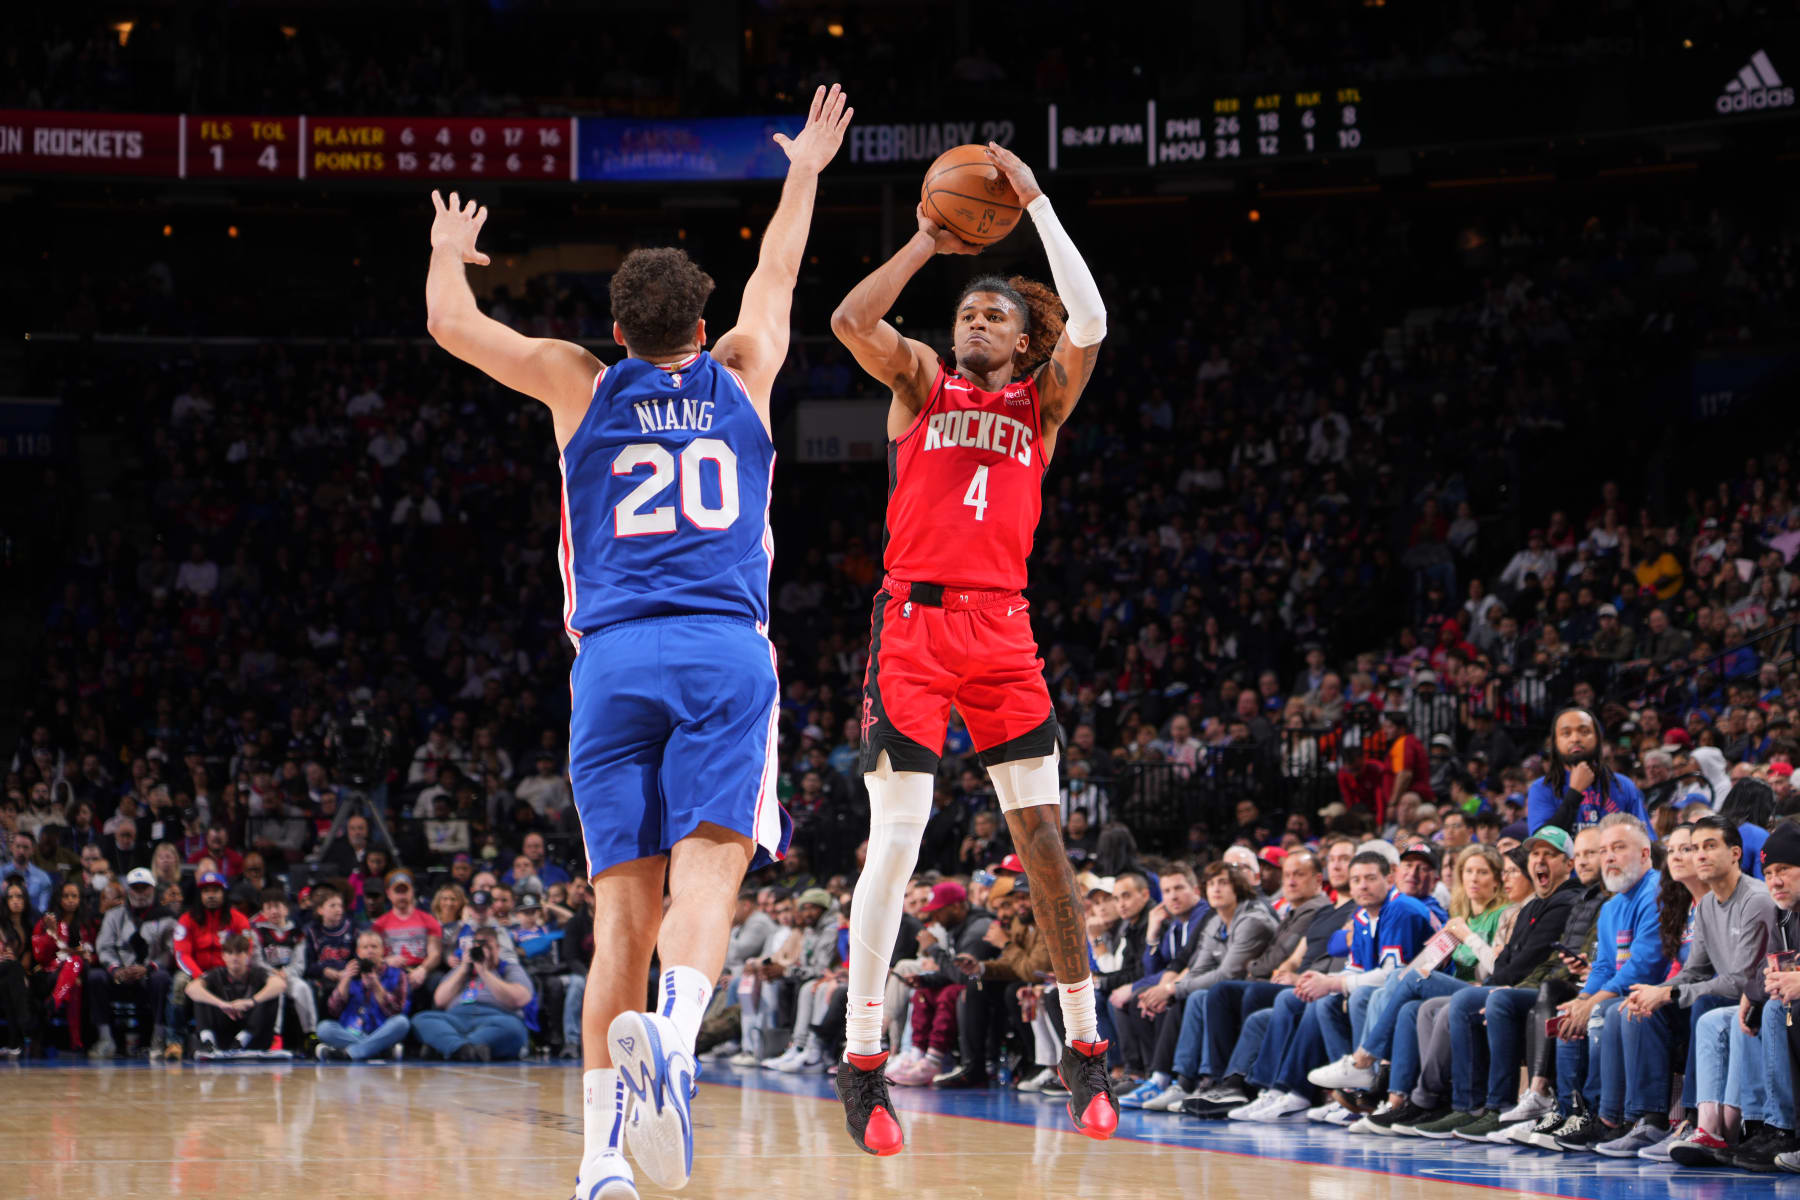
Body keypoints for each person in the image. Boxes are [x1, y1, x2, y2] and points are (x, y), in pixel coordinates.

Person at [424, 85, 851, 1199]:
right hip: (723, 650)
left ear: (619, 331)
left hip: (609, 663)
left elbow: (453, 329)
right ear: (700, 330)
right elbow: (782, 271)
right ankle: (679, 1028)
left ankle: (599, 1160)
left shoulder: (579, 382)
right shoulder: (748, 370)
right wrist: (802, 167)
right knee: (711, 876)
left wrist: (445, 248)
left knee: (624, 909)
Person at [829, 138, 1113, 1155]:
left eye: (994, 312)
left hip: (1002, 628)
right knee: (897, 836)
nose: (974, 320)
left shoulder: (1041, 405)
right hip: (913, 625)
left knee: (1042, 841)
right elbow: (851, 321)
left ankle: (1086, 1040)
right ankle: (862, 1060)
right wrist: (925, 238)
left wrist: (1033, 201)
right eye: (966, 311)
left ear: (1025, 337)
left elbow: (1093, 321)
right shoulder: (921, 387)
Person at [89, 867, 178, 1058]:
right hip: (121, 974)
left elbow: (170, 951)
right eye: (135, 888)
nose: (140, 892)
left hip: (149, 974)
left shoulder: (166, 917)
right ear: (128, 890)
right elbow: (104, 946)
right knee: (96, 977)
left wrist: (148, 968)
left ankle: (158, 1038)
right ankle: (106, 1039)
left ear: (153, 889)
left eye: (144, 888)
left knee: (162, 978)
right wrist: (115, 970)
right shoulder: (114, 915)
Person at [413, 925, 533, 1061]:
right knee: (422, 1019)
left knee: (514, 1028)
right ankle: (467, 1049)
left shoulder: (509, 969)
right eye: (479, 946)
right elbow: (440, 1000)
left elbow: (520, 999)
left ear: (498, 949)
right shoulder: (462, 969)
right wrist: (464, 968)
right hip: (457, 1018)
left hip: (495, 1019)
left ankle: (451, 1047)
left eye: (489, 947)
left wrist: (484, 971)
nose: (483, 951)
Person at [1527, 706, 1648, 834]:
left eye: (1584, 732)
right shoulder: (1542, 788)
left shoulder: (1624, 785)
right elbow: (1541, 844)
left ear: (1597, 738)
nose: (1575, 739)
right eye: (1566, 733)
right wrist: (1574, 793)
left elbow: (1645, 840)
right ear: (1555, 743)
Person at [316, 928, 411, 1062]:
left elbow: (397, 1010)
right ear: (358, 952)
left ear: (383, 951)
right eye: (365, 947)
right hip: (351, 1031)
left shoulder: (397, 974)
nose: (370, 951)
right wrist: (345, 979)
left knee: (402, 1022)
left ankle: (349, 1053)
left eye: (374, 947)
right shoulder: (350, 973)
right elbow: (334, 1009)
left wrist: (377, 986)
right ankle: (379, 1050)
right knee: (323, 1028)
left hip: (382, 1030)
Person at [186, 932, 287, 1058]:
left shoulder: (258, 973)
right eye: (230, 953)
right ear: (223, 956)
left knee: (270, 994)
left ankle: (243, 1039)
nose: (234, 958)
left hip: (252, 1032)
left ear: (248, 955)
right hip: (223, 1029)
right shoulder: (216, 974)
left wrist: (251, 1002)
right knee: (200, 993)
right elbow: (191, 989)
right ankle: (207, 1041)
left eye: (239, 953)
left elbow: (280, 984)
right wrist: (222, 1004)